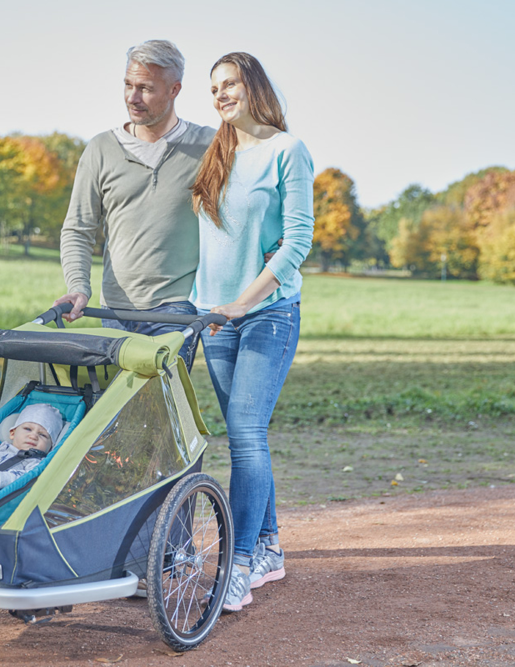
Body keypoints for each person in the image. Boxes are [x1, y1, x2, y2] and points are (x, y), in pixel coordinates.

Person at [191, 52, 315, 612]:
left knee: (244, 432)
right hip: (214, 320)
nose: (220, 94)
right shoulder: (216, 153)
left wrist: (245, 302)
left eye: (230, 84)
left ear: (254, 86)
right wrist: (207, 307)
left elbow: (297, 243)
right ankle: (268, 548)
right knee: (246, 438)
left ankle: (237, 562)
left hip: (267, 314)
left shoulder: (287, 150)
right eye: (213, 87)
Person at [54, 39, 217, 369]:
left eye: (145, 88)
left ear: (174, 90)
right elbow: (78, 229)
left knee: (159, 410)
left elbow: (251, 202)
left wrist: (276, 239)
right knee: (115, 410)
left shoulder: (209, 145)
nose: (132, 97)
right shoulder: (101, 149)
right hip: (114, 309)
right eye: (128, 85)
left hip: (176, 308)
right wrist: (78, 287)